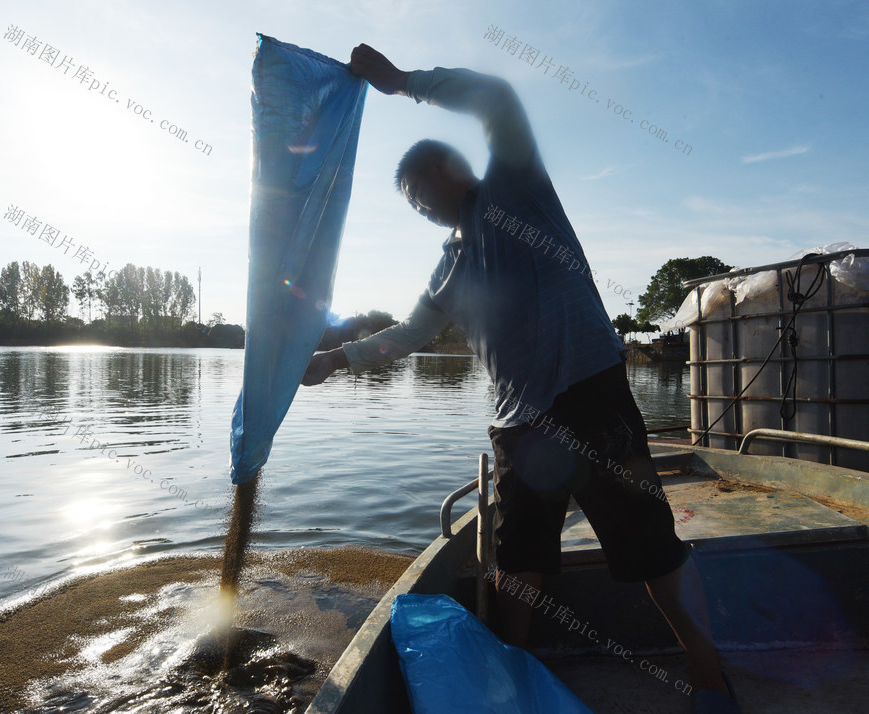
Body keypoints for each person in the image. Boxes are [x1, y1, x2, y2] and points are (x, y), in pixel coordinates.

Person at [302, 43, 739, 713]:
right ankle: (513, 680)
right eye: (411, 204)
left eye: (420, 192)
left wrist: (401, 83)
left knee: (649, 543)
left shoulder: (514, 188)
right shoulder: (448, 270)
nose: (420, 207)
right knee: (519, 559)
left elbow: (496, 98)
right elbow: (410, 335)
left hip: (588, 389)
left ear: (449, 170)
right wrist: (337, 360)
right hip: (518, 425)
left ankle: (708, 674)